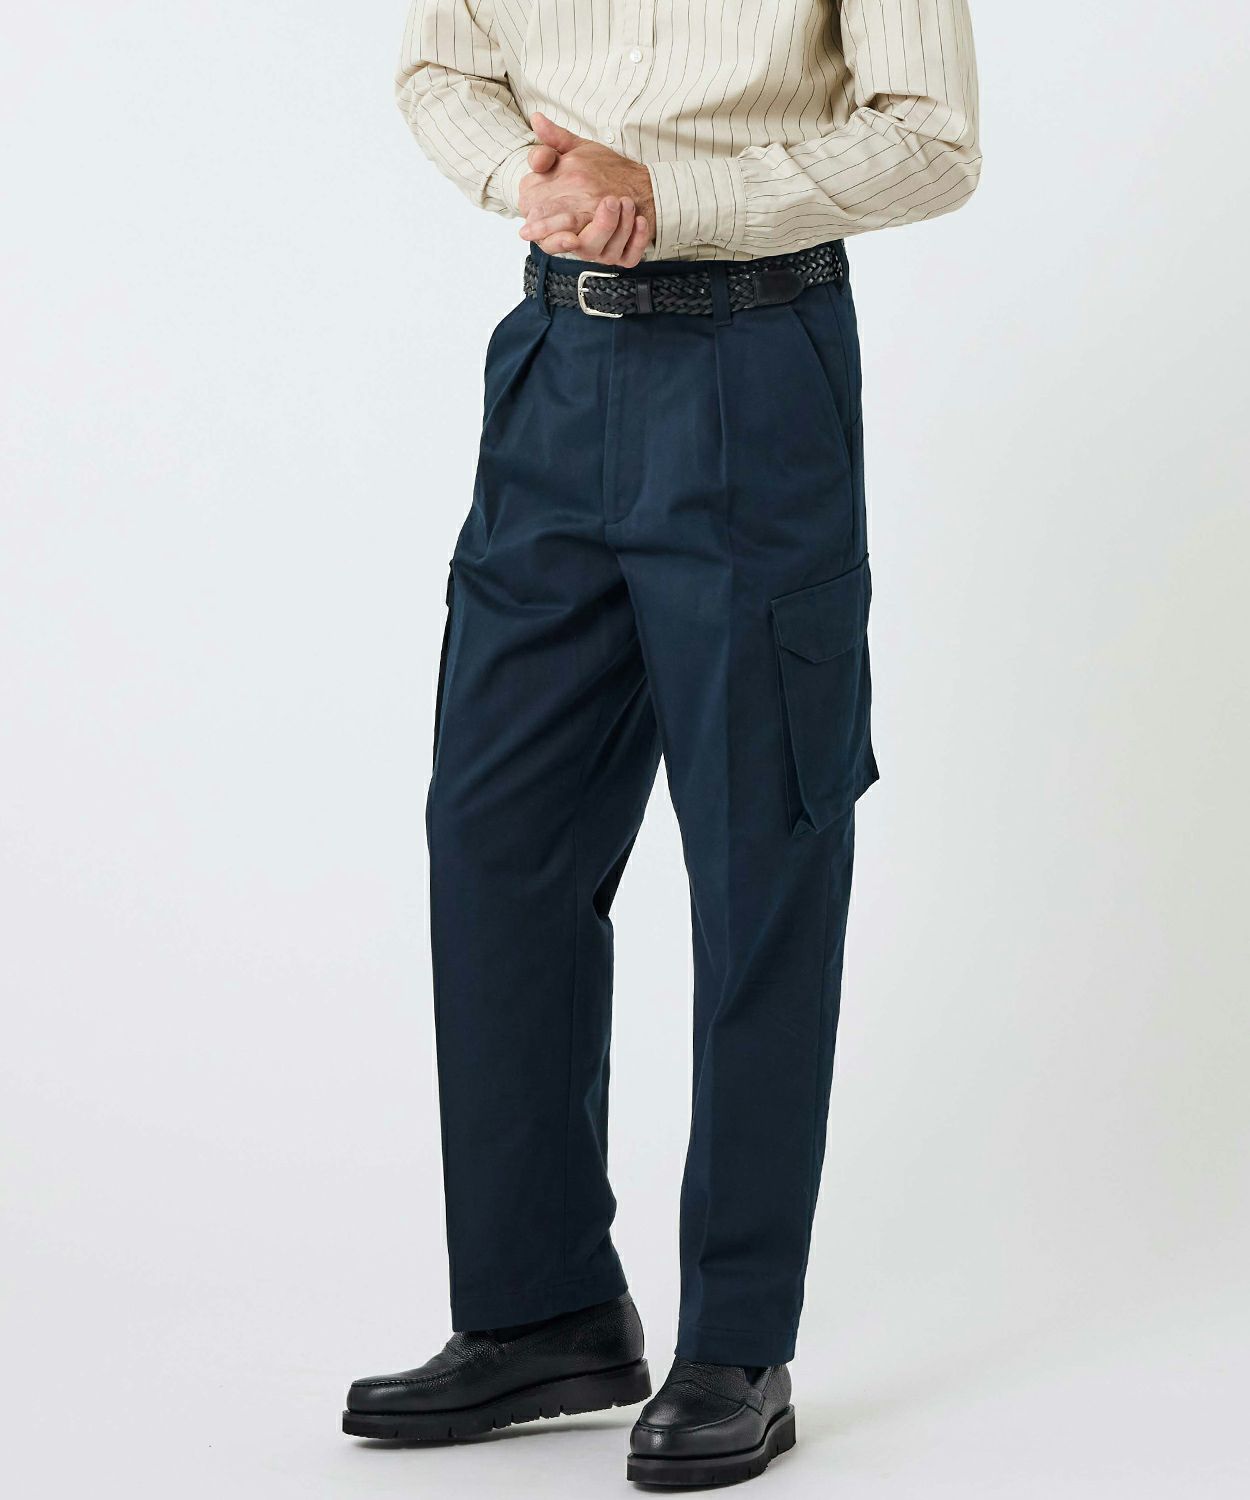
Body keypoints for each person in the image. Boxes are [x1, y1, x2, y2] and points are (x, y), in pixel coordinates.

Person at [343, 1, 980, 1485]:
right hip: (552, 366)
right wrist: (539, 181)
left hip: (757, 366)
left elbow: (933, 142)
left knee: (760, 858)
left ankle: (737, 1343)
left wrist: (671, 193)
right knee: (495, 843)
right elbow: (443, 64)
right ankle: (542, 1311)